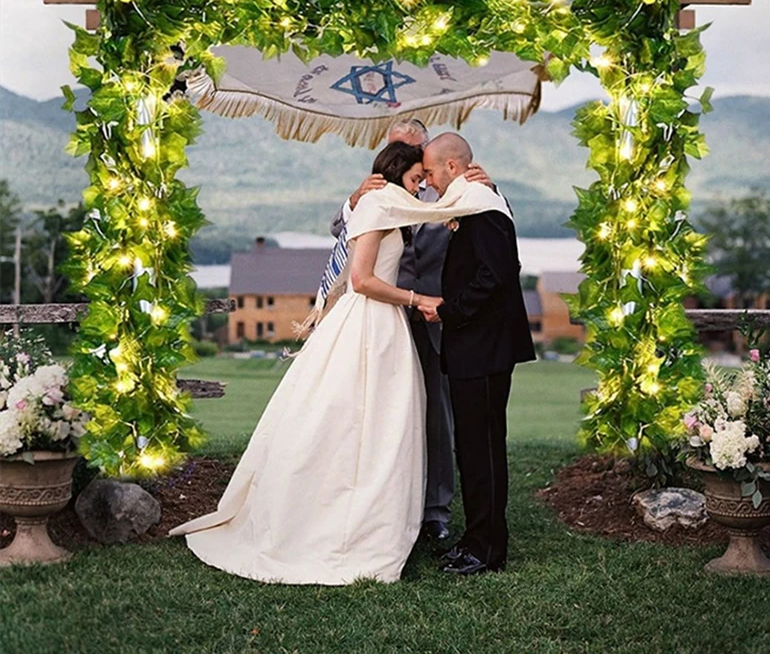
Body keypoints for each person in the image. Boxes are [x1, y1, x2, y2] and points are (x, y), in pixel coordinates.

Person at [170, 141, 511, 585]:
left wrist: (486, 189)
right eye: (416, 178)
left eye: (426, 176)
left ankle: (417, 519)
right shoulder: (375, 204)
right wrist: (418, 298)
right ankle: (336, 524)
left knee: (400, 428)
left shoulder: (432, 203)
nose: (422, 186)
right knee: (346, 422)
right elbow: (361, 279)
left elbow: (466, 218)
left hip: (408, 330)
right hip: (374, 322)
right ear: (396, 174)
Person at [331, 118, 493, 543]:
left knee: (436, 416)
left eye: (411, 152)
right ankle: (378, 507)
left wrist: (489, 189)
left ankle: (434, 512)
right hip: (385, 319)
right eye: (394, 150)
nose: (401, 159)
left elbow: (488, 222)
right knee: (377, 415)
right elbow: (343, 233)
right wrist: (353, 200)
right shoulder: (377, 193)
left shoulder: (451, 186)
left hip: (438, 318)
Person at [420, 133, 536, 576]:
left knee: (482, 451)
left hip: (485, 350)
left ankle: (488, 550)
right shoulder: (471, 204)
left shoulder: (483, 209)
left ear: (452, 167)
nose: (428, 182)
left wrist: (447, 310)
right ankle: (474, 539)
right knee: (470, 450)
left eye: (430, 172)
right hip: (473, 349)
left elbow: (495, 276)